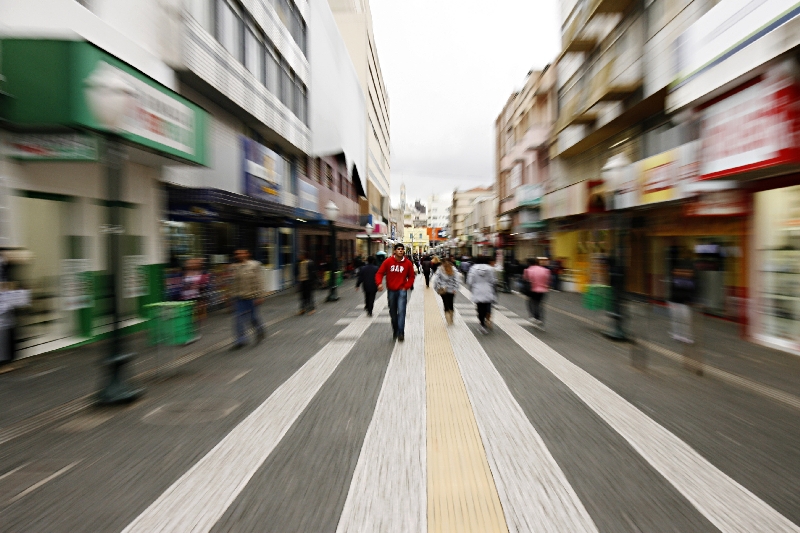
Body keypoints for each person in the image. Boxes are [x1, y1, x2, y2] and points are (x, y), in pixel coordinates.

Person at [375, 243, 415, 341]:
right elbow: (379, 273)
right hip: (391, 291)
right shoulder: (388, 261)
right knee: (393, 312)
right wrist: (379, 283)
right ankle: (395, 330)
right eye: (398, 249)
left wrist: (406, 286)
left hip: (402, 291)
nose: (400, 251)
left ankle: (401, 332)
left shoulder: (408, 263)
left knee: (401, 311)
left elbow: (411, 276)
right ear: (394, 251)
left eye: (402, 249)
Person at [230, 249, 265, 349]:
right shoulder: (234, 267)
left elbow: (260, 281)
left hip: (252, 297)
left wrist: (260, 295)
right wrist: (231, 297)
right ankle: (240, 340)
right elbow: (233, 284)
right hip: (239, 297)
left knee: (253, 318)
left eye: (241, 253)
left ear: (247, 254)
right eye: (237, 254)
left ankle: (259, 330)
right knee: (238, 319)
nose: (239, 255)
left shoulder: (255, 265)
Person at [466, 256, 496, 334]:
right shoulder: (490, 269)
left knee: (479, 308)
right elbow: (493, 280)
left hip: (477, 289)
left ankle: (482, 324)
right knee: (487, 306)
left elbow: (470, 281)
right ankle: (486, 321)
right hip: (487, 289)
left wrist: (471, 288)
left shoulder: (473, 268)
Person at [669, 264, 696, 344]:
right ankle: (677, 335)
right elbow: (674, 291)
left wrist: (691, 300)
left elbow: (693, 292)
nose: (688, 274)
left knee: (686, 321)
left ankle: (686, 336)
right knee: (676, 319)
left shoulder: (691, 282)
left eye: (690, 272)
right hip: (675, 302)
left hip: (684, 303)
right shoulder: (675, 280)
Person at [524, 257, 551, 330]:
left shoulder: (528, 270)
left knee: (531, 302)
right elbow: (548, 280)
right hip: (543, 290)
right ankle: (539, 318)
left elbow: (526, 280)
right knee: (539, 304)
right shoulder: (545, 270)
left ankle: (533, 317)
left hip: (532, 289)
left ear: (528, 263)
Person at [433, 258, 459, 325]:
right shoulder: (454, 269)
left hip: (443, 289)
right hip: (452, 289)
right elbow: (457, 280)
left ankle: (448, 320)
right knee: (451, 303)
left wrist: (436, 288)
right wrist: (455, 289)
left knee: (445, 303)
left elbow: (436, 280)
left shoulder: (440, 269)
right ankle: (451, 318)